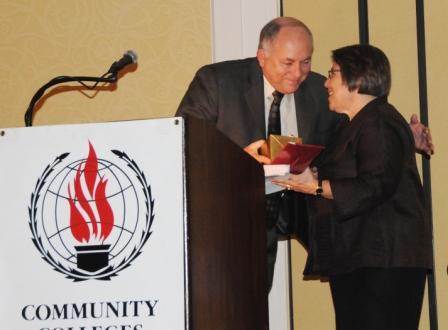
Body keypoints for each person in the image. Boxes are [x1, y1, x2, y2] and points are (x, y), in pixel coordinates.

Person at [176, 16, 433, 291]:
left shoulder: (321, 91)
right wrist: (236, 159)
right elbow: (182, 144)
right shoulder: (217, 83)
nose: (298, 73)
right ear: (262, 57)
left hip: (301, 218)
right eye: (288, 63)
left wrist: (405, 134)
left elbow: (363, 131)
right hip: (226, 221)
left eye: (306, 62)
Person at [273, 44, 433, 330]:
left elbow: (375, 185)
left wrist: (316, 187)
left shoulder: (379, 122)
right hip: (363, 259)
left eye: (333, 73)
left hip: (383, 262)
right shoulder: (362, 123)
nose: (326, 82)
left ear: (356, 79)